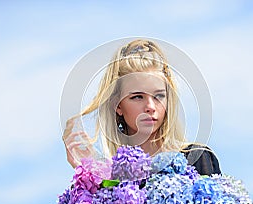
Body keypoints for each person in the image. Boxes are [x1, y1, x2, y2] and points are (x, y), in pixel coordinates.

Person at [62, 39, 221, 176]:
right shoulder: (110, 178)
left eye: (159, 96)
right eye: (137, 97)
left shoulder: (197, 159)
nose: (150, 107)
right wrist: (92, 179)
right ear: (117, 105)